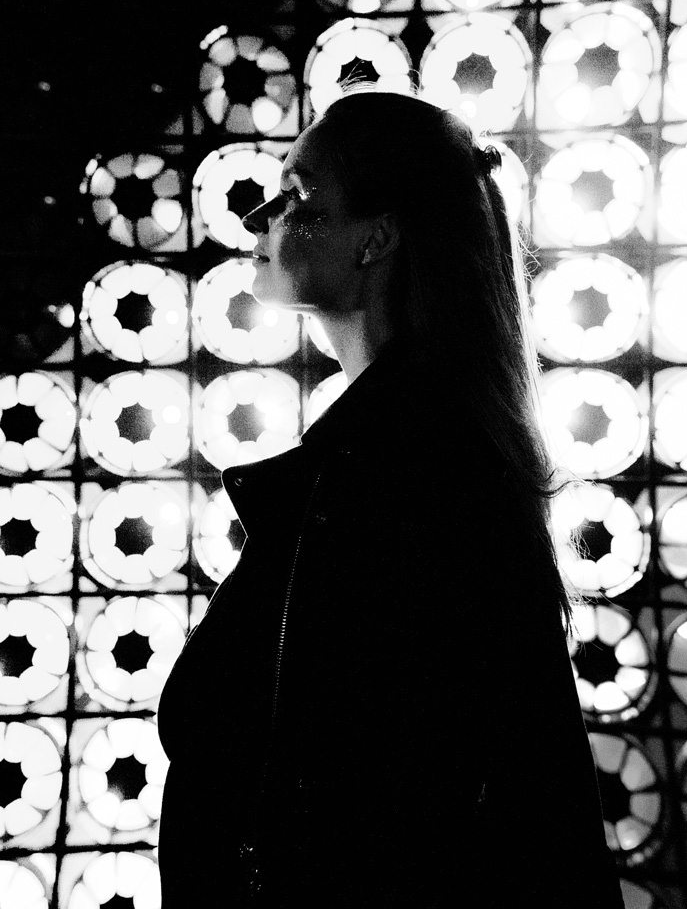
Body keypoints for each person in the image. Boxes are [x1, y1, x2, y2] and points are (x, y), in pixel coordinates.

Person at [157, 90, 624, 907]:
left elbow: (382, 802)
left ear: (376, 238)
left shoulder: (403, 470)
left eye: (298, 196)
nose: (259, 217)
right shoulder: (419, 448)